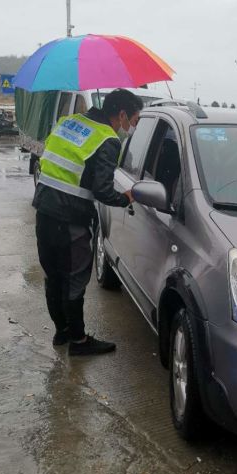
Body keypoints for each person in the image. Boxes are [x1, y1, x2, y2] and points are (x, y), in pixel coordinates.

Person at [33, 89, 143, 355]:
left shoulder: (67, 122)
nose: (133, 126)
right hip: (70, 219)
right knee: (74, 278)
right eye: (135, 120)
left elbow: (52, 160)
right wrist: (127, 197)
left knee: (54, 275)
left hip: (44, 210)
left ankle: (62, 332)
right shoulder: (107, 139)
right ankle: (79, 341)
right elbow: (103, 191)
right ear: (121, 114)